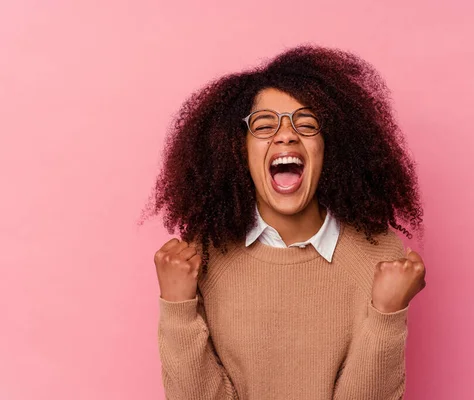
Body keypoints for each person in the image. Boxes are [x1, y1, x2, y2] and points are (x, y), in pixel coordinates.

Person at [141, 44, 426, 399]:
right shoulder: (199, 258)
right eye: (263, 125)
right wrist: (178, 308)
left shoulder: (379, 257)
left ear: (331, 146)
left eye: (306, 124)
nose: (287, 134)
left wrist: (387, 314)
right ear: (237, 148)